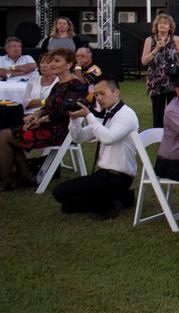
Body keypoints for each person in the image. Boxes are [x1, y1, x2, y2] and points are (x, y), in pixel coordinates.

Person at [0, 48, 88, 189]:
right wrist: (36, 115)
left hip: (60, 131)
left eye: (56, 61)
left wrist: (41, 120)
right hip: (48, 126)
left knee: (4, 136)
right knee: (9, 135)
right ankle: (26, 176)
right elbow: (47, 107)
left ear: (69, 65)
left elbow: (66, 111)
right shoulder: (58, 85)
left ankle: (7, 181)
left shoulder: (77, 85)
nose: (52, 64)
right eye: (51, 60)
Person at [54, 78, 139, 218]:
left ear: (116, 92)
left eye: (102, 93)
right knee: (66, 204)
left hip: (119, 177)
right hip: (104, 174)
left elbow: (108, 138)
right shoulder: (105, 114)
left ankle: (110, 202)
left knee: (61, 193)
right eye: (96, 94)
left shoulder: (126, 115)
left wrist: (89, 115)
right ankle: (119, 198)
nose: (98, 98)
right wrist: (74, 119)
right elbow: (79, 138)